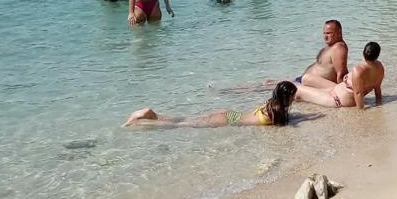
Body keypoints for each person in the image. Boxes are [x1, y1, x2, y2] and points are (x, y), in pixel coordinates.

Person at [126, 81, 297, 128]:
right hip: (227, 121)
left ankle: (152, 116)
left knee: (184, 120)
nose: (294, 100)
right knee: (183, 124)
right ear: (286, 98)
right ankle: (147, 116)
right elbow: (287, 124)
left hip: (230, 115)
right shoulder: (278, 114)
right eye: (292, 97)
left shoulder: (270, 105)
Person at [295, 41, 384, 109]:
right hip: (335, 89)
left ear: (364, 53)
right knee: (306, 78)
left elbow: (358, 93)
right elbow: (377, 88)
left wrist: (361, 111)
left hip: (336, 99)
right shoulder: (380, 67)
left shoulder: (359, 70)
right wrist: (379, 103)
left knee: (297, 90)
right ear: (377, 55)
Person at [296, 20, 349, 85]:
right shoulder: (331, 46)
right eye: (324, 33)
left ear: (339, 33)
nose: (325, 37)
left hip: (312, 86)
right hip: (304, 81)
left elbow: (342, 75)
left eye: (328, 33)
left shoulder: (338, 48)